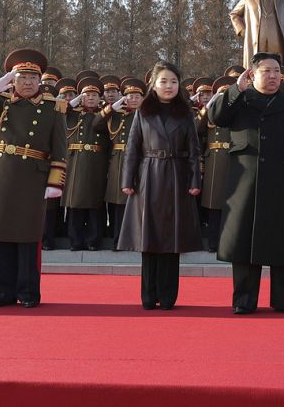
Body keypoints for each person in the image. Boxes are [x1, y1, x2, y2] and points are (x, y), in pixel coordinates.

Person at [0, 49, 67, 308]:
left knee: (27, 238)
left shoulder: (52, 108)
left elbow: (60, 150)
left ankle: (28, 292)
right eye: (21, 76)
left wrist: (55, 182)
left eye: (32, 77)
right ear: (12, 79)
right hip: (0, 174)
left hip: (33, 176)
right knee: (1, 235)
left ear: (39, 80)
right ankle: (0, 292)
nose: (27, 82)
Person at [209, 52, 284, 314]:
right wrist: (235, 89)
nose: (273, 76)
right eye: (266, 71)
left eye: (277, 71)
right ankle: (244, 300)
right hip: (247, 181)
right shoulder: (240, 100)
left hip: (283, 181)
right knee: (245, 242)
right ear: (252, 74)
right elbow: (217, 117)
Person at [118, 60, 202, 310]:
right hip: (148, 177)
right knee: (149, 238)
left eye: (173, 81)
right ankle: (148, 295)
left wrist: (195, 179)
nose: (169, 86)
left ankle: (167, 296)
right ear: (153, 84)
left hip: (176, 177)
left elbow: (195, 151)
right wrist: (127, 180)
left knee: (171, 239)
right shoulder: (143, 111)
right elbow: (132, 148)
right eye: (163, 81)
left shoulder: (186, 113)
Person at [93, 77, 144, 249]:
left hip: (140, 160)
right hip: (117, 161)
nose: (134, 99)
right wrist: (110, 109)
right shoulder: (115, 115)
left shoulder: (146, 115)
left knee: (138, 201)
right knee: (117, 202)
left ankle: (137, 239)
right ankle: (118, 240)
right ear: (124, 97)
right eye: (130, 96)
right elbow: (96, 125)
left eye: (137, 96)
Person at [63, 76, 109, 251]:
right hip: (75, 160)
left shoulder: (104, 114)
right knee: (75, 203)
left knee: (94, 203)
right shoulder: (73, 113)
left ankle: (93, 240)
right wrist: (74, 101)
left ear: (100, 99)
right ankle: (75, 240)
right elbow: (57, 111)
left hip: (97, 161)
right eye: (86, 95)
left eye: (94, 95)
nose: (90, 98)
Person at [196, 75, 237, 253]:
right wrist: (206, 108)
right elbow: (195, 128)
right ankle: (213, 243)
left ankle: (228, 243)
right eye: (220, 95)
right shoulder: (209, 112)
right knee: (213, 204)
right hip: (213, 160)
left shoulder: (237, 112)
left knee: (231, 205)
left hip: (232, 159)